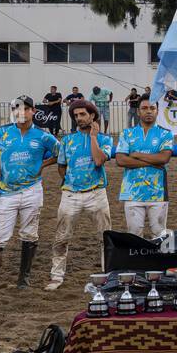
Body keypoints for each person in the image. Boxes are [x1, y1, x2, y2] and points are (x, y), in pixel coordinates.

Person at [0, 96, 60, 291]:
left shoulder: (43, 136)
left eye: (26, 108)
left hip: (32, 190)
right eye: (17, 109)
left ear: (33, 111)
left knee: (29, 234)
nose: (21, 112)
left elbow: (61, 153)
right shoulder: (1, 133)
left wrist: (43, 164)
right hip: (6, 192)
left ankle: (23, 279)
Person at [45, 100, 114, 291]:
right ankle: (56, 276)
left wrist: (93, 137)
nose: (78, 118)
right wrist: (70, 182)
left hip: (97, 193)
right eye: (75, 115)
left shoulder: (105, 139)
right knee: (61, 237)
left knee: (105, 237)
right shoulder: (67, 140)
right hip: (70, 195)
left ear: (92, 116)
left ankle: (108, 276)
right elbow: (61, 166)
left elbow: (99, 160)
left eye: (82, 114)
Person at [116, 97, 174, 238]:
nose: (149, 111)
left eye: (152, 108)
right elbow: (121, 160)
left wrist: (136, 154)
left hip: (158, 192)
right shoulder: (127, 133)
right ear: (138, 111)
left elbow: (164, 158)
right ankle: (138, 261)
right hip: (132, 192)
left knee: (160, 234)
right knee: (134, 234)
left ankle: (160, 261)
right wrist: (153, 162)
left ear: (157, 111)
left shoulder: (166, 133)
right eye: (145, 108)